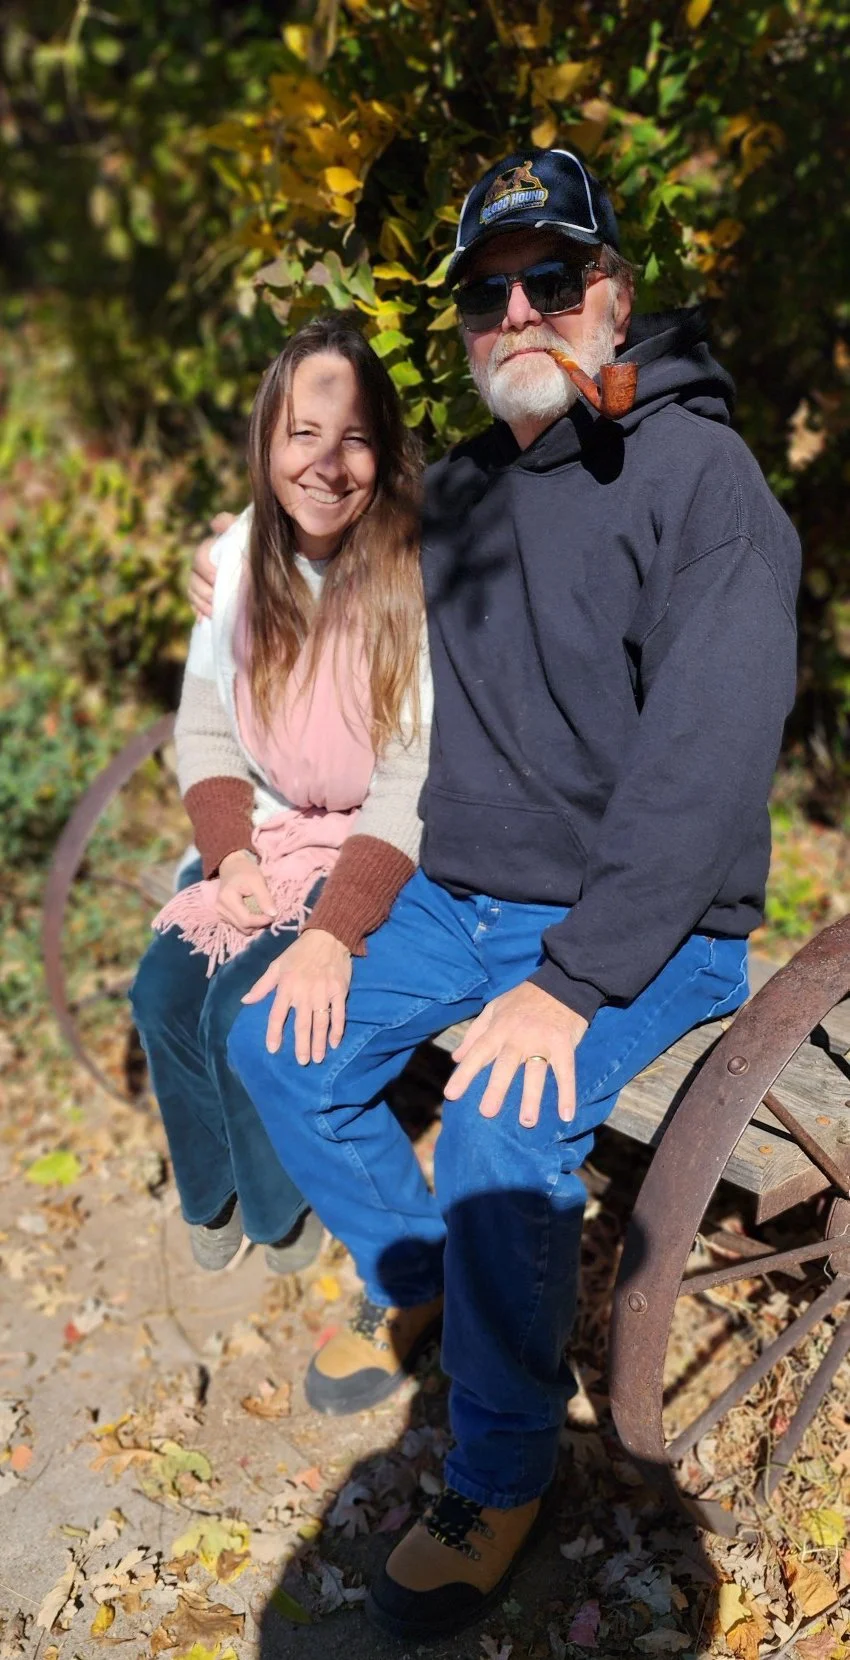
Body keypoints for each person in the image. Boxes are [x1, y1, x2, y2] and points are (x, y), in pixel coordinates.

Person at [196, 148, 800, 1641]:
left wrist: (575, 975)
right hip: (454, 898)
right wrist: (326, 906)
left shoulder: (701, 484)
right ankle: (447, 1301)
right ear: (463, 324)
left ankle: (502, 1468)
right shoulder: (459, 494)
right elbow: (357, 688)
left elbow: (703, 768)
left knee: (498, 1116)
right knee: (270, 1037)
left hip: (641, 928)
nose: (518, 311)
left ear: (611, 290)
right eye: (486, 291)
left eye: (550, 278)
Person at [131, 316, 430, 1277]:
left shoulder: (410, 574)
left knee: (235, 1013)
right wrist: (232, 854)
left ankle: (275, 1212)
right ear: (269, 441)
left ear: (382, 450)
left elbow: (411, 775)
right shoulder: (240, 563)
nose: (327, 463)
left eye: (353, 438)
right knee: (160, 992)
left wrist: (331, 926)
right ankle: (209, 1191)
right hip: (265, 835)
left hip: (361, 851)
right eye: (304, 432)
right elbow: (207, 726)